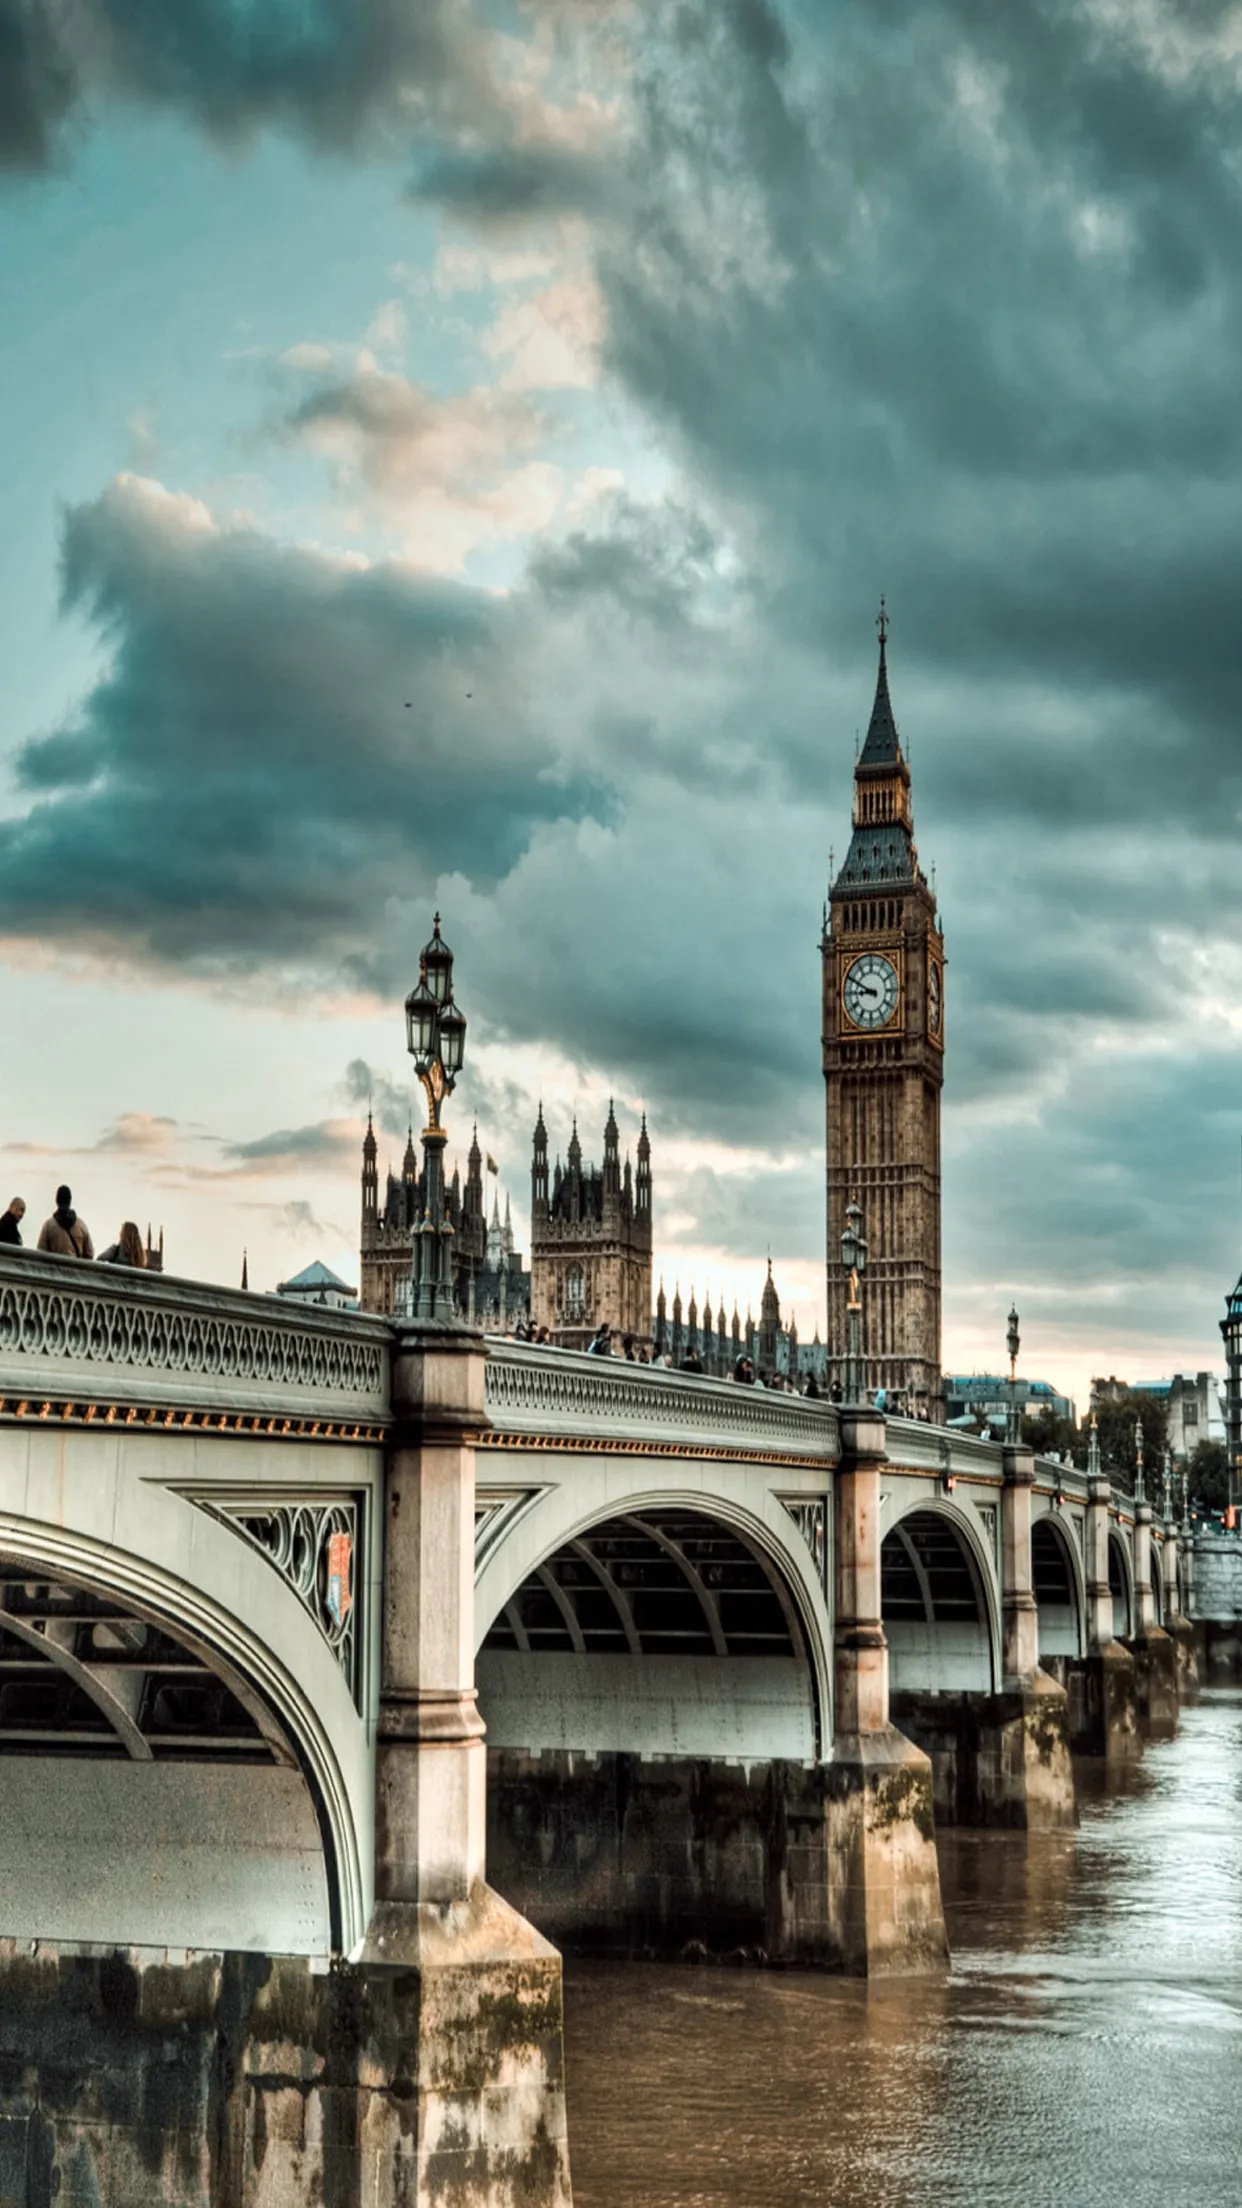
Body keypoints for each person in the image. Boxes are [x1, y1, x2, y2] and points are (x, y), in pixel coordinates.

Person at [37, 1186, 93, 1259]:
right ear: (70, 1201)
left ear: (57, 1201)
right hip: (76, 1268)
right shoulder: (81, 1225)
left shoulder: (49, 1225)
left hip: (55, 1269)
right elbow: (89, 1253)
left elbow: (41, 1252)